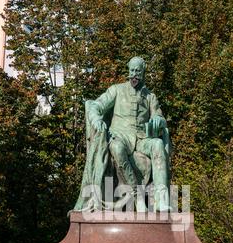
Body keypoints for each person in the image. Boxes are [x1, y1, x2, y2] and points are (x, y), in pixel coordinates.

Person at [73, 56, 172, 212]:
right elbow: (96, 106)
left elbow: (159, 117)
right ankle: (137, 197)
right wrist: (96, 119)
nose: (134, 74)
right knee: (117, 149)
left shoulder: (150, 97)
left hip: (141, 138)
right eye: (131, 70)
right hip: (119, 135)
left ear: (143, 72)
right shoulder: (116, 90)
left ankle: (161, 200)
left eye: (137, 71)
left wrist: (158, 120)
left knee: (158, 144)